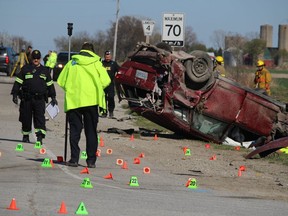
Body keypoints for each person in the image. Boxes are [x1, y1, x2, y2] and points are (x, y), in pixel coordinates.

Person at [57, 42, 111, 168]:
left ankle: (74, 159)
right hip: (91, 101)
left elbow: (61, 81)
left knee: (75, 131)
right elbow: (106, 80)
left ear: (81, 51)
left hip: (74, 101)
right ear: (92, 51)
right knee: (91, 131)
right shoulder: (96, 63)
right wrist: (96, 88)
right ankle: (91, 161)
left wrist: (72, 89)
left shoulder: (72, 63)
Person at [11, 50, 57, 144]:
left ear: (40, 59)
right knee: (25, 118)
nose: (36, 60)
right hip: (27, 98)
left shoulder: (45, 70)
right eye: (34, 58)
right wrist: (15, 94)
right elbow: (18, 82)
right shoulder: (25, 69)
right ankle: (26, 135)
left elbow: (50, 85)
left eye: (37, 58)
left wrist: (53, 96)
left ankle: (40, 137)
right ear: (32, 58)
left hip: (39, 99)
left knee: (40, 118)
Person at [100, 50, 120, 118]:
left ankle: (111, 111)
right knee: (103, 99)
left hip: (111, 84)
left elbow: (119, 70)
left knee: (111, 97)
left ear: (110, 56)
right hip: (103, 84)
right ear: (104, 56)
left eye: (108, 56)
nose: (107, 58)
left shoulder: (113, 64)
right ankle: (104, 112)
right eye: (106, 56)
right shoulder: (101, 63)